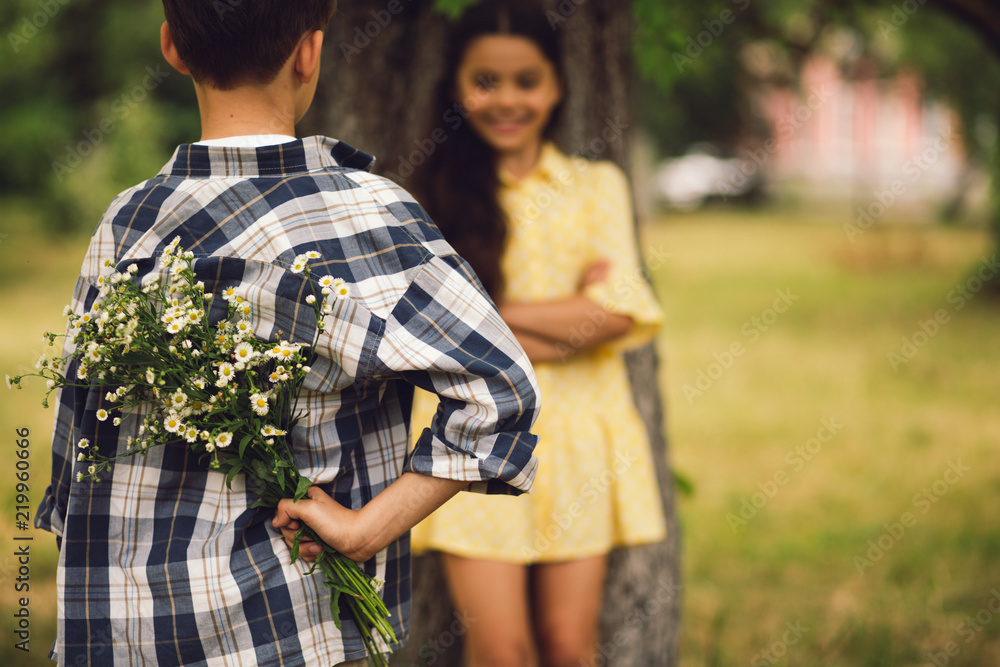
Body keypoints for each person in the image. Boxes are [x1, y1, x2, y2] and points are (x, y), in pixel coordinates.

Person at [35, 2, 540, 665]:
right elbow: (500, 388)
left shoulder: (129, 219)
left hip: (133, 626)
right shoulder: (364, 213)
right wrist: (367, 529)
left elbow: (83, 422)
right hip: (291, 623)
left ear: (172, 48)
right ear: (309, 52)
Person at [398, 2, 669, 666]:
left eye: (527, 80)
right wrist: (570, 317)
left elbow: (616, 314)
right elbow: (425, 329)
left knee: (570, 648)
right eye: (485, 81)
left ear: (556, 85)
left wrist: (486, 307)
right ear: (456, 87)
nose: (507, 99)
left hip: (580, 435)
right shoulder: (427, 196)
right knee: (502, 651)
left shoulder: (594, 185)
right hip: (469, 440)